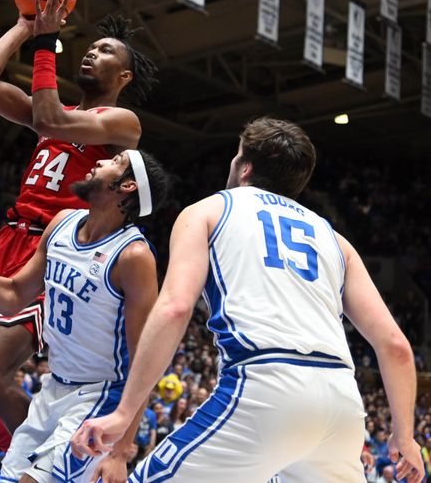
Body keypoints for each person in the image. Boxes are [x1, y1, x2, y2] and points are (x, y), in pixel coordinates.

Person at [71, 118, 425, 483]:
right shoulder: (337, 241)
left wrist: (124, 412)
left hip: (265, 385)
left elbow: (176, 307)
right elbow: (395, 345)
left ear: (246, 167)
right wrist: (405, 435)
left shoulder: (206, 211)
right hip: (342, 404)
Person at [0, 0, 158, 451]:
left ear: (124, 75)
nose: (92, 53)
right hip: (7, 240)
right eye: (91, 47)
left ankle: (52, 467)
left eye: (105, 52)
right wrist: (26, 25)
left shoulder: (122, 122)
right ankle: (20, 458)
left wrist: (45, 45)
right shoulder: (51, 112)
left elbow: (50, 118)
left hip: (55, 253)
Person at [0, 149, 168, 483]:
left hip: (101, 396)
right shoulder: (61, 223)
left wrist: (122, 449)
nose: (98, 162)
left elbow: (144, 359)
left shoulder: (133, 256)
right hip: (53, 390)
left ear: (128, 187)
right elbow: (12, 297)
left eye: (114, 162)